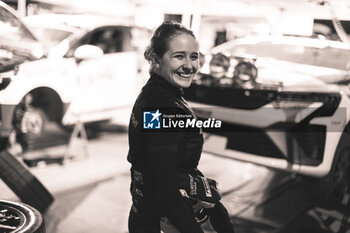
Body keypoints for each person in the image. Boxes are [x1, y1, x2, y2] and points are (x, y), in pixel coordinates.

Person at [127, 21, 235, 233]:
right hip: (163, 221)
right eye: (179, 56)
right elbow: (165, 190)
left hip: (143, 213)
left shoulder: (153, 94)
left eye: (193, 56)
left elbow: (158, 167)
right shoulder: (165, 106)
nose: (189, 65)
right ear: (157, 60)